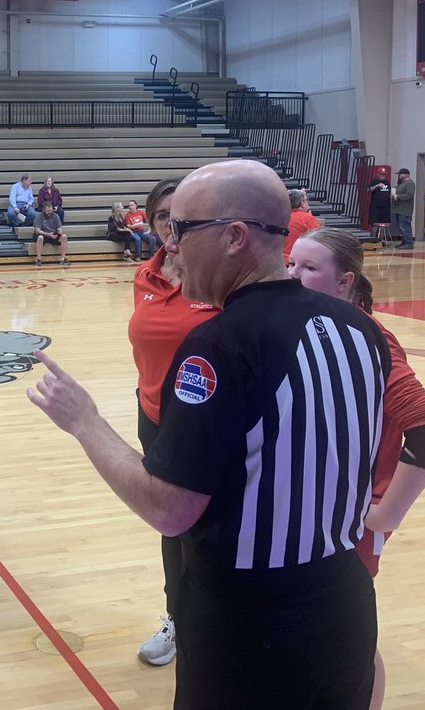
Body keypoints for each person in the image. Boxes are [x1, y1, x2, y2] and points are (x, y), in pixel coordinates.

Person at [26, 159, 389, 710]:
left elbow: (170, 510)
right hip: (347, 601)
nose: (170, 244)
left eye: (183, 228)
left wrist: (85, 422)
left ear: (234, 237)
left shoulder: (218, 344)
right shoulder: (360, 326)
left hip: (250, 626)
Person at [288, 228, 425, 710]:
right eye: (290, 263)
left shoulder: (369, 338)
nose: (293, 274)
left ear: (345, 281)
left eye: (308, 268)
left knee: (347, 637)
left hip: (357, 515)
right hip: (322, 505)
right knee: (321, 628)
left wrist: (384, 513)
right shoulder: (311, 325)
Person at [126, 178, 220, 667]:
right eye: (163, 217)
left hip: (211, 426)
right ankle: (177, 618)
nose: (172, 225)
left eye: (181, 216)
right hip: (156, 420)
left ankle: (218, 622)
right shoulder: (146, 276)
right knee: (171, 525)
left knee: (215, 526)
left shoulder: (221, 278)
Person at [282, 188, 321, 263]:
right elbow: (320, 240)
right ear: (302, 203)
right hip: (297, 261)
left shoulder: (281, 217)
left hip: (280, 260)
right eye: (306, 200)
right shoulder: (307, 218)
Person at [32, 201, 69, 268]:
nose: (49, 212)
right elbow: (37, 230)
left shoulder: (55, 216)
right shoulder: (39, 216)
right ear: (43, 209)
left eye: (50, 210)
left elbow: (59, 228)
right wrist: (48, 234)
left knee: (64, 236)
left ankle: (63, 259)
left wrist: (59, 232)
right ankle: (39, 259)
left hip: (53, 234)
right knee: (40, 237)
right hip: (43, 234)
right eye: (47, 211)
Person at [391, 168, 416, 249]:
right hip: (399, 210)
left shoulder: (410, 184)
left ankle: (409, 243)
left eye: (400, 174)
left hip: (405, 210)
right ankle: (404, 241)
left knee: (405, 227)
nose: (399, 176)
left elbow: (409, 195)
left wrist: (398, 196)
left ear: (406, 175)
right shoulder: (402, 184)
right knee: (402, 227)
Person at [367, 172, 392, 244]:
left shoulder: (387, 182)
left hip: (385, 207)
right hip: (375, 207)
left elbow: (389, 192)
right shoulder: (374, 181)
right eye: (381, 174)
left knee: (383, 225)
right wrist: (377, 186)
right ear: (378, 175)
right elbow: (368, 190)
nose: (383, 176)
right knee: (375, 224)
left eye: (384, 174)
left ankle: (381, 240)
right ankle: (372, 240)